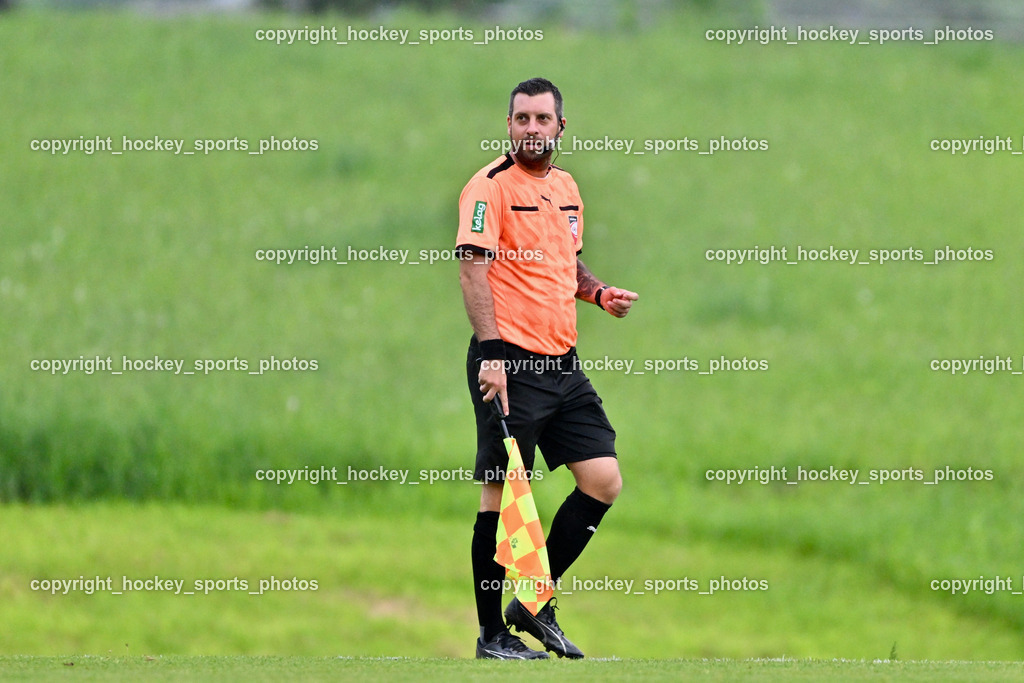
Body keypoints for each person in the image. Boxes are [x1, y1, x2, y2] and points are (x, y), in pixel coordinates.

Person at [455, 77, 639, 660]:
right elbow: (472, 272)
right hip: (507, 363)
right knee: (502, 494)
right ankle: (492, 636)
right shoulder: (488, 188)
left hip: (563, 365)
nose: (531, 128)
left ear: (561, 126)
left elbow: (567, 263)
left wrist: (599, 293)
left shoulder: (567, 187)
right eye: (521, 118)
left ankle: (532, 602)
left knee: (603, 479)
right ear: (508, 125)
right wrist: (491, 355)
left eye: (541, 119)